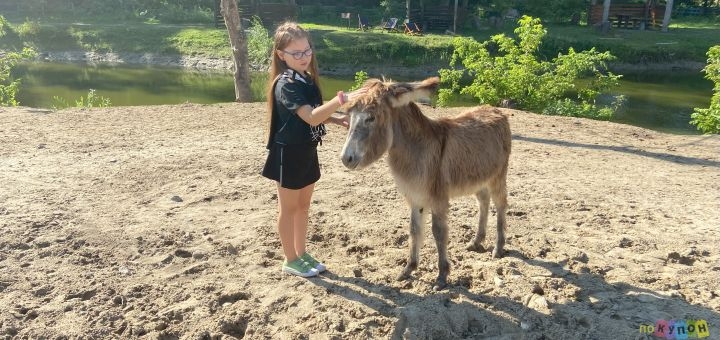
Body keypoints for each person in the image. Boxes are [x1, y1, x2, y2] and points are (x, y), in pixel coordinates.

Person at [261, 22, 365, 278]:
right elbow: (309, 116)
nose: (304, 57)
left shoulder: (305, 79)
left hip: (307, 150)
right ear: (281, 55)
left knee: (304, 207)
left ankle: (301, 252)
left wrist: (337, 118)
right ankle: (290, 259)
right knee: (288, 209)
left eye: (307, 51)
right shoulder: (286, 84)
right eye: (296, 53)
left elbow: (315, 114)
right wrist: (340, 100)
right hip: (288, 153)